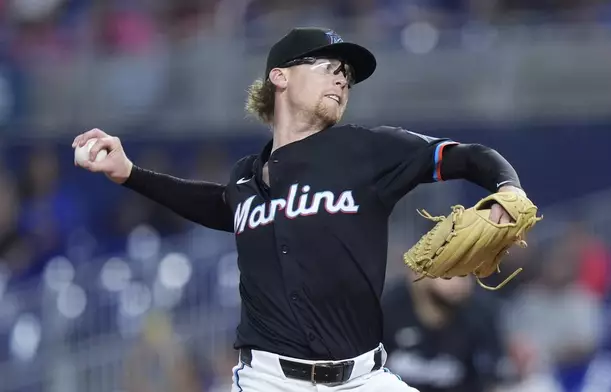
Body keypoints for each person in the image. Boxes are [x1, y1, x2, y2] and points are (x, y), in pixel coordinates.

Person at [72, 27, 528, 392]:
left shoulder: (367, 150)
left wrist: (509, 191)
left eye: (347, 76)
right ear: (281, 76)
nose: (342, 80)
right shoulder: (247, 178)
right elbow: (218, 205)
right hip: (266, 380)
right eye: (330, 68)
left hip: (363, 379)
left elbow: (466, 155)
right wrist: (129, 172)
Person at [382, 274, 507, 392]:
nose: (459, 281)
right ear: (417, 272)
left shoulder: (480, 315)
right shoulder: (387, 309)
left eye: (466, 273)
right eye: (448, 272)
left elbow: (490, 380)